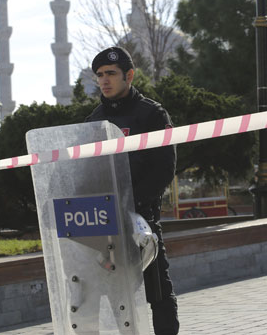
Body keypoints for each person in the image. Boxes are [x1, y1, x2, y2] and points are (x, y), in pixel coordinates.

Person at [85, 46, 179, 335]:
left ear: (129, 75)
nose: (104, 80)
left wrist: (131, 202)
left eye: (111, 73)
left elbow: (164, 167)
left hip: (141, 219)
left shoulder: (151, 114)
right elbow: (85, 172)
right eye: (100, 75)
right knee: (113, 293)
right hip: (104, 223)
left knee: (158, 290)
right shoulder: (93, 121)